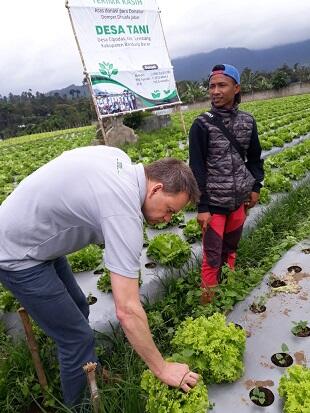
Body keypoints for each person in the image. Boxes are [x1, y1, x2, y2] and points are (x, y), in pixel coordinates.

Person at [0, 146, 200, 407]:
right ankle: (81, 405)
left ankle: (88, 370)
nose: (166, 219)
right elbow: (127, 310)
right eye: (170, 210)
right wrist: (161, 368)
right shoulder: (123, 209)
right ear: (155, 189)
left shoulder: (118, 158)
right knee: (76, 337)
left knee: (79, 308)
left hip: (35, 235)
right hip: (17, 253)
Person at [189, 64, 264, 303]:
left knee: (230, 250)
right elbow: (197, 168)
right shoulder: (201, 125)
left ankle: (227, 295)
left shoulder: (247, 122)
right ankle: (208, 305)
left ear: (236, 88)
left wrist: (255, 187)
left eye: (222, 85)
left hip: (238, 202)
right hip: (214, 205)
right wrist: (202, 207)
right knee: (212, 258)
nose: (215, 91)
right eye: (212, 86)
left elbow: (254, 158)